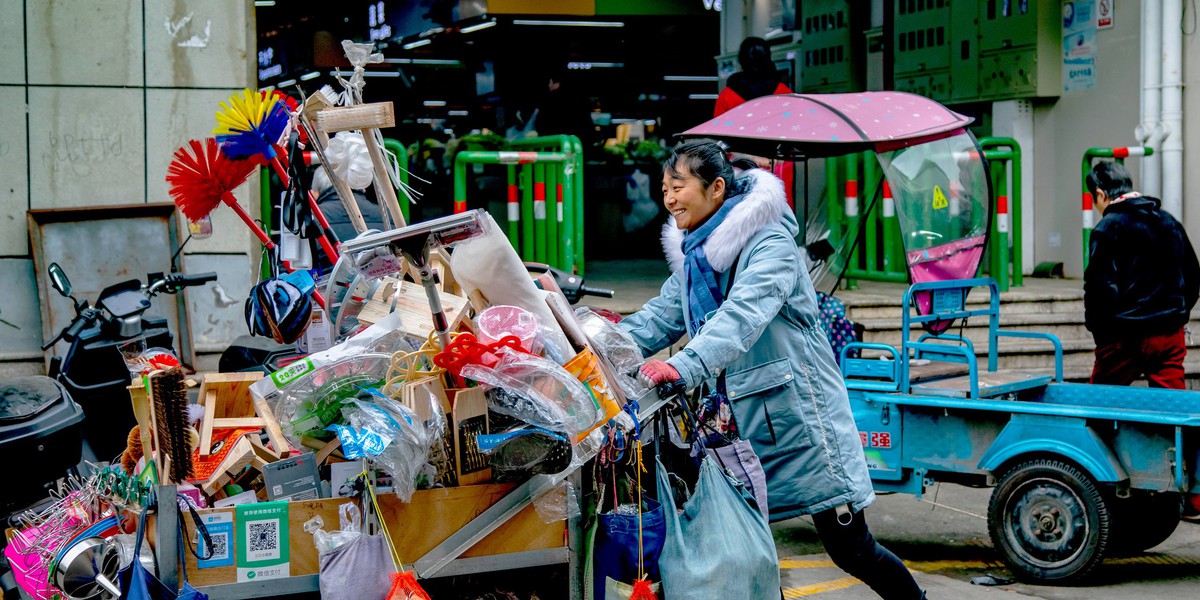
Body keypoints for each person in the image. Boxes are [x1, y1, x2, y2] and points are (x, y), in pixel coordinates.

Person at [621, 140, 925, 600]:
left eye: (678, 186)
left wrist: (681, 365)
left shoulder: (771, 245)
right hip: (737, 426)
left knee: (852, 549)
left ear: (717, 188)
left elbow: (742, 315)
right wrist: (592, 344)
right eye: (664, 188)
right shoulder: (697, 256)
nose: (669, 199)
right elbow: (660, 316)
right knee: (745, 547)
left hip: (801, 421)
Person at [1084, 161, 1199, 388]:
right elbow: (1193, 276)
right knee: (1172, 404)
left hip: (1125, 335)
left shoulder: (1107, 228)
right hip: (1169, 333)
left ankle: (1102, 425)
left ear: (1100, 194)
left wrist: (1101, 334)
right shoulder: (1168, 221)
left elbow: (1100, 289)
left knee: (1102, 402)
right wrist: (1178, 314)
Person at [715, 37, 795, 208]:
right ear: (768, 58)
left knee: (741, 223)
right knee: (778, 223)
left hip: (740, 169)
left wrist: (750, 157)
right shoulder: (784, 92)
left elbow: (719, 142)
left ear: (740, 61)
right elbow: (793, 135)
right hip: (777, 168)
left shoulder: (727, 96)